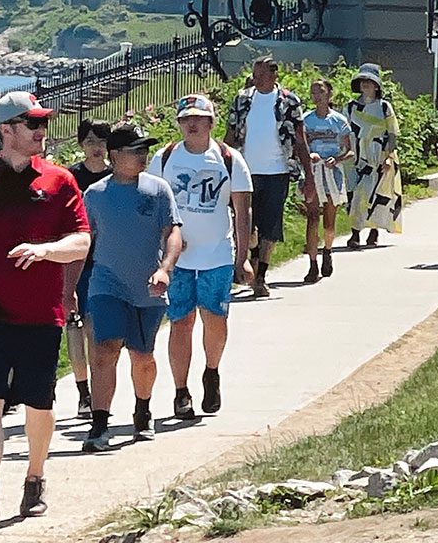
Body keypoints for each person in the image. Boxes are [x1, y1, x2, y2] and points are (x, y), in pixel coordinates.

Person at [0, 91, 90, 530]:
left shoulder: (60, 182)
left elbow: (82, 241)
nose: (41, 132)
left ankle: (35, 476)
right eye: (32, 124)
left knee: (39, 404)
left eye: (43, 123)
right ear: (6, 130)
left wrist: (47, 250)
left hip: (40, 315)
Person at [147, 95, 251, 420]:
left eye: (198, 118)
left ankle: (212, 371)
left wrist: (243, 257)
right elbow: (151, 208)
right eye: (185, 119)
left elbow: (242, 210)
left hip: (217, 253)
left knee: (214, 318)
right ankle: (181, 391)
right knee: (181, 322)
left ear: (210, 123)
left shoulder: (229, 159)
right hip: (177, 258)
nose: (192, 124)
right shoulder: (164, 159)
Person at [80, 123, 182, 453]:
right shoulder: (95, 195)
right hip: (106, 284)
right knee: (105, 349)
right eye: (135, 151)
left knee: (142, 355)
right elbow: (83, 242)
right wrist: (68, 287)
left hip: (148, 289)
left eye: (144, 150)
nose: (143, 156)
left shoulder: (158, 190)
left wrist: (165, 268)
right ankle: (99, 423)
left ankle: (143, 410)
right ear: (114, 156)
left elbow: (173, 234)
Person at [224, 57, 318, 299]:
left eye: (261, 74)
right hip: (246, 172)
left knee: (271, 227)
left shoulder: (289, 102)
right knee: (247, 224)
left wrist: (309, 177)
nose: (256, 79)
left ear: (273, 75)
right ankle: (252, 261)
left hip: (278, 170)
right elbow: (231, 135)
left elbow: (300, 139)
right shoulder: (242, 100)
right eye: (254, 74)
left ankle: (261, 276)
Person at [64, 119, 112, 419]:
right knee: (74, 326)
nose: (97, 147)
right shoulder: (70, 178)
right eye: (91, 140)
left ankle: (97, 390)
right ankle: (83, 391)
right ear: (81, 144)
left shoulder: (116, 177)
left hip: (105, 261)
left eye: (102, 140)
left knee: (96, 330)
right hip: (74, 261)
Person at [345, 64, 403, 248]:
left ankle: (374, 229)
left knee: (377, 194)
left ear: (376, 86)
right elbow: (344, 131)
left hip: (378, 156)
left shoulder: (384, 107)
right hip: (357, 156)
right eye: (363, 81)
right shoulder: (351, 107)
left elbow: (392, 134)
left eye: (369, 82)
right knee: (357, 193)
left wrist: (388, 157)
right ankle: (355, 232)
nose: (365, 85)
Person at [302, 78, 353, 282]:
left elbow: (350, 151)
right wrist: (308, 157)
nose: (317, 95)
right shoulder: (306, 120)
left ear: (329, 94)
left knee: (329, 217)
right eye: (314, 92)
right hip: (313, 172)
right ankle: (312, 264)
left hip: (333, 173)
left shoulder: (339, 121)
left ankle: (328, 251)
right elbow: (300, 146)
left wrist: (337, 158)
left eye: (321, 91)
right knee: (312, 216)